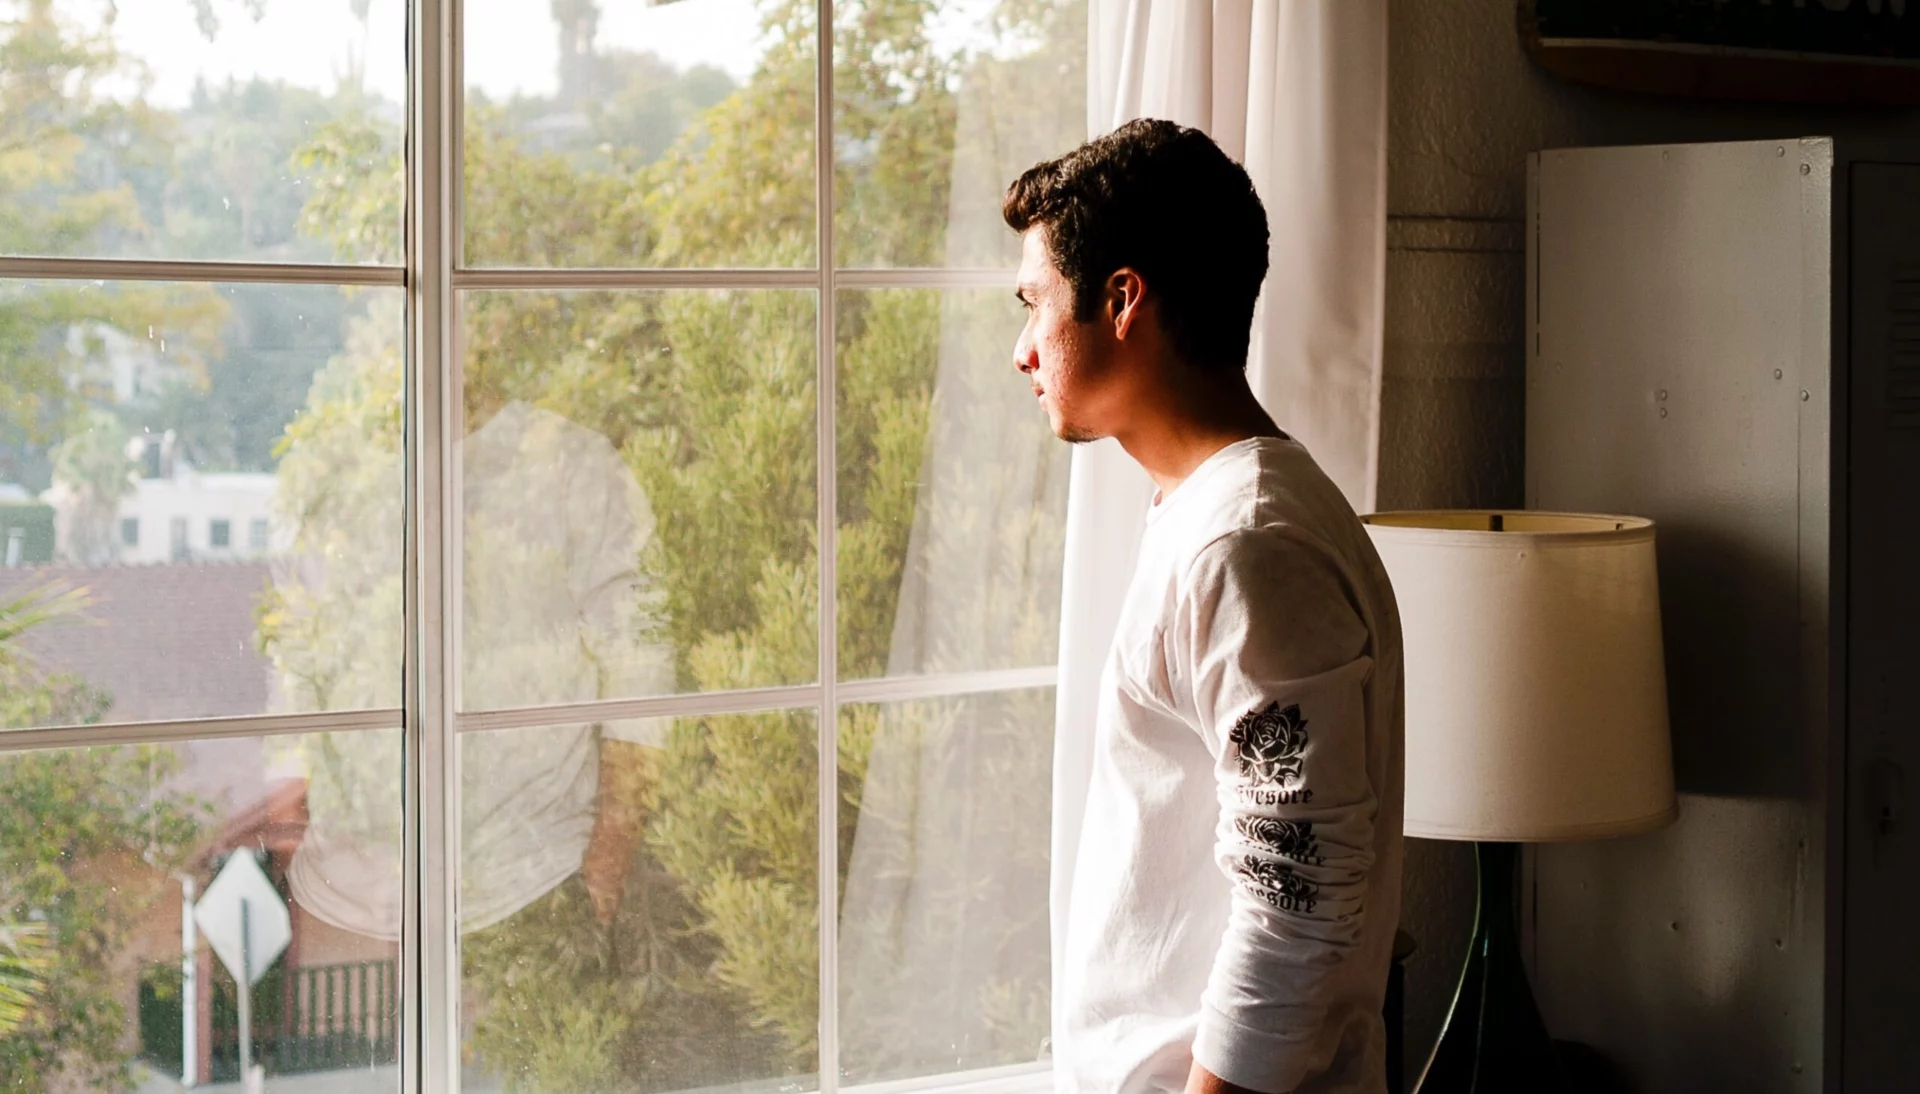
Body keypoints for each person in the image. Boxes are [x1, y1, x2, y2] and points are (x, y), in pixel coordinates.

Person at [1005, 119, 1404, 1094]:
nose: (1023, 351)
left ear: (1123, 298)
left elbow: (1298, 894)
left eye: (1035, 305)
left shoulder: (1248, 543)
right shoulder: (1224, 514)